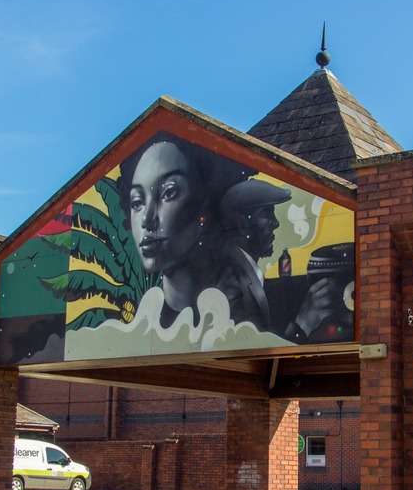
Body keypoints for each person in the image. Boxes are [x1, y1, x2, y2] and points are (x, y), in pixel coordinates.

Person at [116, 135, 245, 327]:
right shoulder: (141, 325)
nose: (147, 218)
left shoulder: (240, 300)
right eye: (137, 202)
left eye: (168, 193)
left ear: (203, 203)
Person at [217, 177, 340, 341]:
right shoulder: (231, 281)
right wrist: (303, 323)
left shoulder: (243, 270)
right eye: (266, 214)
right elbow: (250, 348)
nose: (275, 223)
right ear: (242, 225)